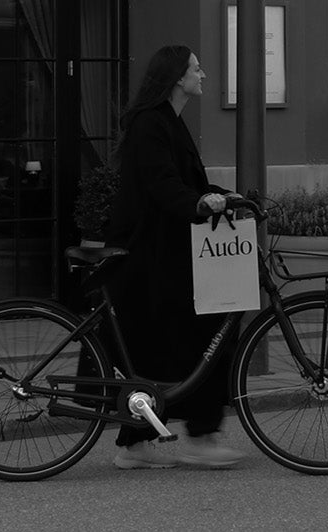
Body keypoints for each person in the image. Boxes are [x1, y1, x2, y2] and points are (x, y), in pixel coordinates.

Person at [104, 44, 245, 470]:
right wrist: (200, 205)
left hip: (166, 252)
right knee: (179, 341)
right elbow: (163, 185)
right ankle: (193, 438)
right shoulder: (151, 123)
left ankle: (150, 442)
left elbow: (184, 183)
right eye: (196, 69)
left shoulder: (168, 120)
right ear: (177, 77)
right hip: (148, 255)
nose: (203, 75)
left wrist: (222, 196)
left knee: (168, 346)